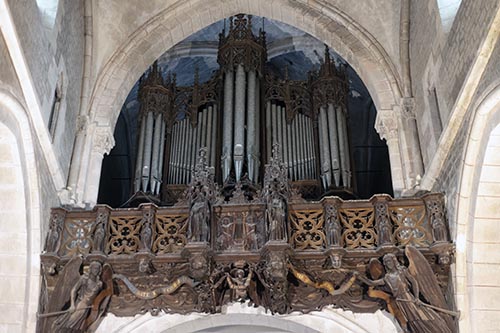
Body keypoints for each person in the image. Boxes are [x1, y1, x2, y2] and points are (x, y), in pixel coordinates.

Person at [357, 254, 452, 333]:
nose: (388, 264)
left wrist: (416, 297)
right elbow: (372, 283)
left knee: (422, 315)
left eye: (389, 261)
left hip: (408, 298)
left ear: (394, 261)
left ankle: (437, 328)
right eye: (386, 262)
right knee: (410, 321)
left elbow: (414, 282)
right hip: (400, 302)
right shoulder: (387, 278)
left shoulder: (401, 271)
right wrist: (360, 277)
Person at [53, 261, 103, 331]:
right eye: (94, 268)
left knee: (77, 327)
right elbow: (74, 290)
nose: (96, 270)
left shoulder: (99, 284)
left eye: (97, 269)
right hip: (80, 304)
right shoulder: (84, 279)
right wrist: (72, 305)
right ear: (90, 269)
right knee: (69, 323)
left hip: (87, 307)